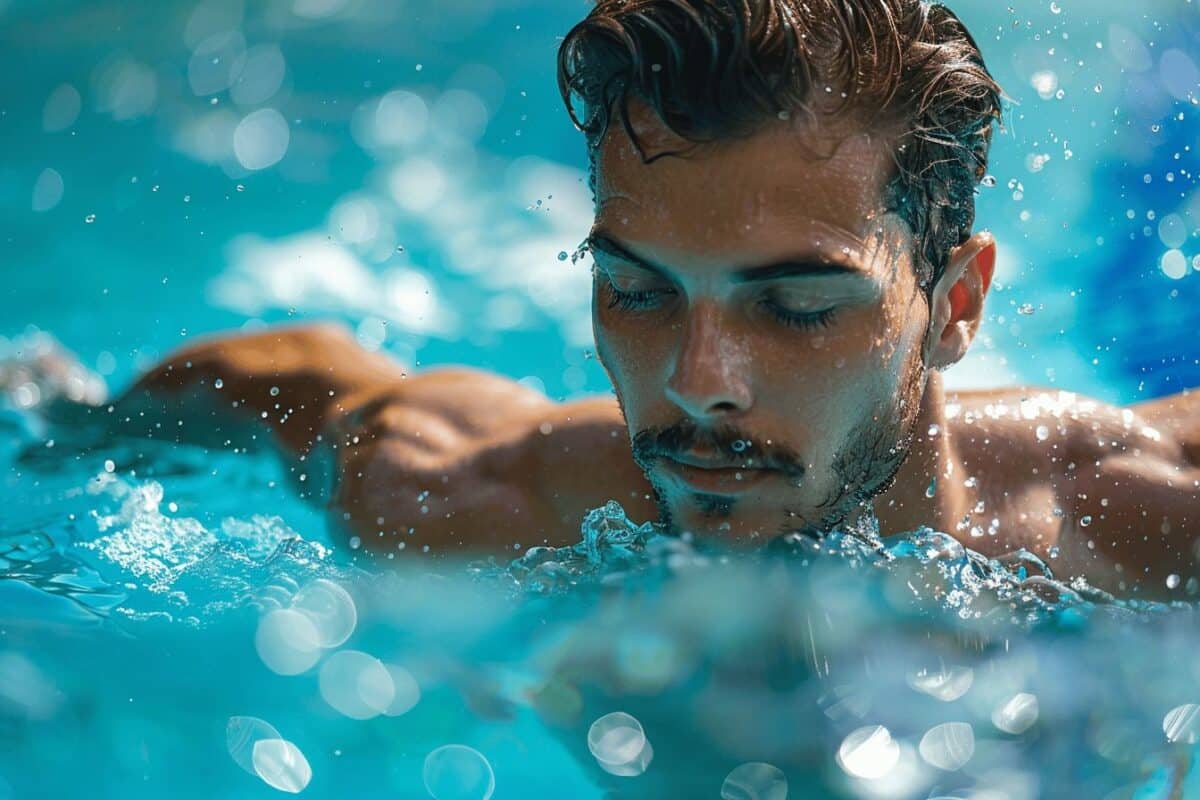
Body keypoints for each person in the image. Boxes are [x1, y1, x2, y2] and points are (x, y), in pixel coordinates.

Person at [117, 0, 1198, 594]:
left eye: (797, 305)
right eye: (637, 290)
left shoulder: (1146, 522)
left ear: (955, 304)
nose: (696, 385)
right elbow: (285, 377)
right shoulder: (479, 505)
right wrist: (62, 421)